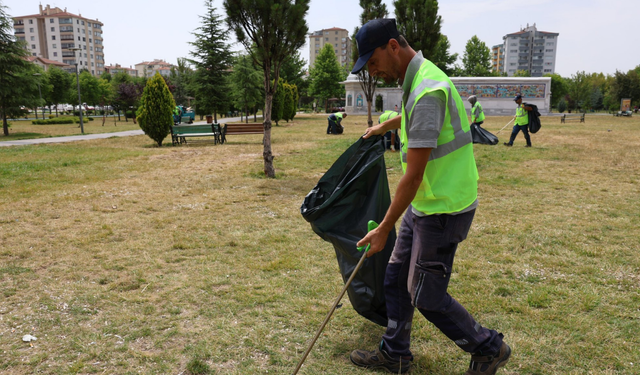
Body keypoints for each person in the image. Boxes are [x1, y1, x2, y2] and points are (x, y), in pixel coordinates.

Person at [349, 18, 510, 375]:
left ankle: (489, 347)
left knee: (427, 295)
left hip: (445, 208)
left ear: (392, 46)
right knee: (395, 279)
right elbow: (413, 121)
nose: (373, 71)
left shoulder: (426, 90)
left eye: (372, 61)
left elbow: (414, 174)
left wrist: (384, 227)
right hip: (427, 203)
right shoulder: (418, 80)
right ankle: (396, 353)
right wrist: (385, 125)